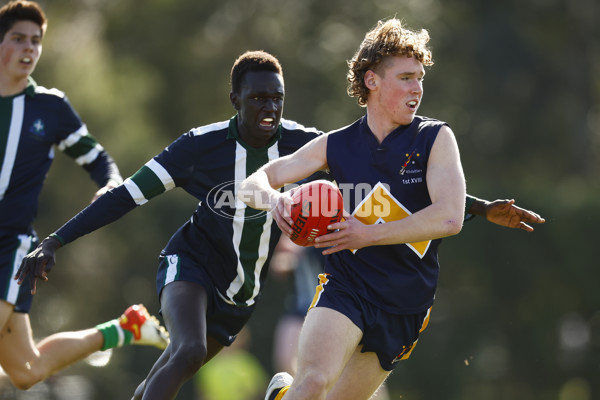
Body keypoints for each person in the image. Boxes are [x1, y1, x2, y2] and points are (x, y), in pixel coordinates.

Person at [240, 18, 544, 400]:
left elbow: (448, 217)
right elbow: (252, 183)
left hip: (405, 304)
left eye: (419, 77)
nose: (417, 87)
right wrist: (278, 199)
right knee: (313, 382)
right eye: (405, 77)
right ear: (372, 81)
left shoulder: (436, 138)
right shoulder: (337, 145)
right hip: (345, 286)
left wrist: (368, 234)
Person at [0, 0, 169, 391]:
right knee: (25, 371)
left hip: (9, 246)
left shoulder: (51, 107)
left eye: (36, 41)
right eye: (18, 39)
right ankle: (125, 329)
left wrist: (109, 183)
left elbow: (99, 160)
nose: (29, 48)